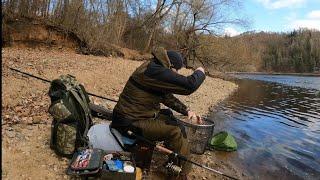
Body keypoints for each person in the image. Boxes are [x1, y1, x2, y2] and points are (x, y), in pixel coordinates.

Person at [111, 47, 206, 177]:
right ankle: (181, 174)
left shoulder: (154, 66)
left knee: (168, 115)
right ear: (170, 65)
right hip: (129, 122)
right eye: (176, 70)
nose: (176, 73)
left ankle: (173, 160)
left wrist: (187, 110)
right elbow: (190, 85)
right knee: (175, 130)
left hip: (137, 115)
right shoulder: (154, 70)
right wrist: (200, 71)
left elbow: (166, 97)